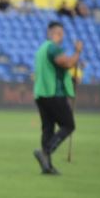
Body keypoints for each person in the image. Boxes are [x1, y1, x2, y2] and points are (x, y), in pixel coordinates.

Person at [33, 21, 83, 175]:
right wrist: (77, 52)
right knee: (68, 125)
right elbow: (67, 63)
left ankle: (47, 166)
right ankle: (46, 151)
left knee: (48, 128)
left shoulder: (41, 49)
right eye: (61, 33)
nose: (62, 36)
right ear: (56, 33)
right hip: (53, 93)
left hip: (41, 93)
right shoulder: (53, 48)